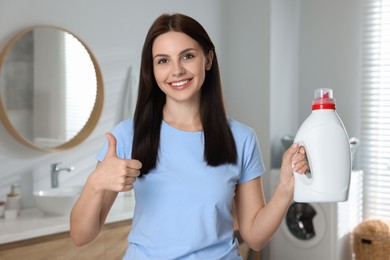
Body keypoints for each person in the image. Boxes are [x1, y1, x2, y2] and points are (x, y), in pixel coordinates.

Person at [70, 13, 309, 260]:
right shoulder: (127, 135)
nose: (177, 70)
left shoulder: (241, 138)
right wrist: (95, 182)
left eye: (187, 56)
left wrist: (285, 189)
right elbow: (80, 236)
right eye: (163, 61)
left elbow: (254, 237)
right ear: (151, 70)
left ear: (208, 59)